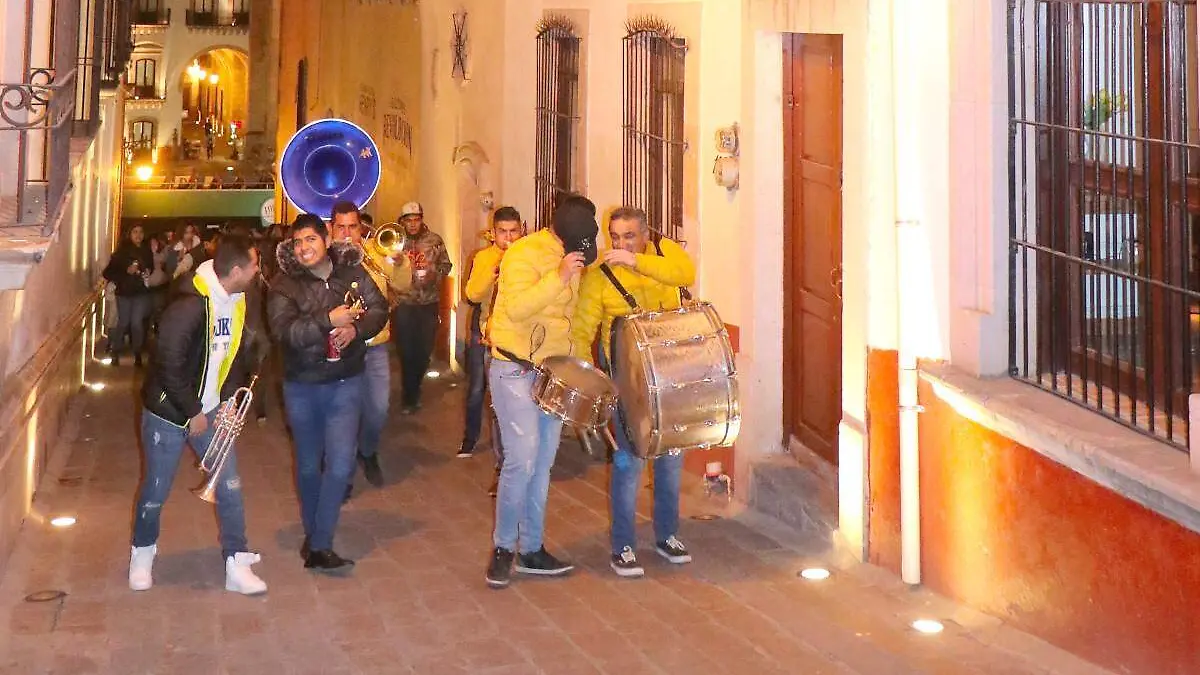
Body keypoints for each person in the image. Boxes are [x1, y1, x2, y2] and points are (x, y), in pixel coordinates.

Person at [129, 234, 267, 594]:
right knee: (156, 489)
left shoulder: (237, 300)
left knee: (231, 486)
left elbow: (232, 354)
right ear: (236, 270)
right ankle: (142, 554)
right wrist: (193, 411)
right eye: (255, 265)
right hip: (170, 413)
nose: (258, 271)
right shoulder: (189, 305)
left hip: (210, 410)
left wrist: (228, 402)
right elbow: (169, 363)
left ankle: (236, 561)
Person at [571, 206, 697, 578]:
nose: (620, 244)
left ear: (644, 235)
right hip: (627, 384)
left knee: (671, 460)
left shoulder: (665, 258)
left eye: (628, 236)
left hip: (669, 378)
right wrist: (589, 375)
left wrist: (637, 261)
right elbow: (582, 330)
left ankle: (667, 534)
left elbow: (685, 273)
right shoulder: (598, 278)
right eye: (615, 237)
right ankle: (623, 545)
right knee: (628, 464)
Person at [484, 195, 598, 589]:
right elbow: (515, 309)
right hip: (514, 368)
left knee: (543, 463)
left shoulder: (576, 254)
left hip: (553, 373)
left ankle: (531, 548)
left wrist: (582, 368)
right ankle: (502, 549)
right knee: (522, 459)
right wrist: (559, 276)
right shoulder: (522, 253)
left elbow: (570, 318)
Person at [268, 213, 389, 572]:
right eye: (297, 242)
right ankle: (316, 537)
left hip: (344, 382)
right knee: (308, 466)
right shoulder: (283, 284)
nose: (304, 248)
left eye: (311, 240)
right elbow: (283, 331)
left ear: (326, 240)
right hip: (302, 385)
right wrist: (328, 321)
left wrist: (358, 330)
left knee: (339, 464)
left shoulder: (351, 273)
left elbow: (379, 309)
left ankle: (319, 542)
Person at [328, 201, 411, 492]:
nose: (348, 233)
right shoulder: (324, 257)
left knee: (378, 408)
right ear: (331, 228)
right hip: (339, 347)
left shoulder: (377, 251)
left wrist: (401, 264)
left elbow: (402, 285)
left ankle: (367, 451)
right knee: (343, 413)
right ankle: (344, 472)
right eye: (342, 227)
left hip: (374, 345)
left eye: (353, 226)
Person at [459, 208, 523, 490]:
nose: (508, 237)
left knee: (503, 406)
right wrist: (495, 270)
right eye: (502, 232)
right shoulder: (483, 258)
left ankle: (504, 467)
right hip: (486, 334)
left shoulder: (527, 255)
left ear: (521, 230)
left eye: (513, 231)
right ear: (494, 232)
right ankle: (470, 438)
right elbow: (472, 294)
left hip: (515, 339)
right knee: (477, 391)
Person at [391, 202, 452, 413]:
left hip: (429, 303)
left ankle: (414, 387)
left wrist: (433, 272)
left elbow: (447, 265)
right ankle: (410, 397)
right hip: (404, 303)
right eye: (409, 220)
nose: (413, 224)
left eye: (416, 219)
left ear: (422, 219)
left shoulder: (434, 240)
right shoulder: (396, 241)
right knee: (406, 351)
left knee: (424, 351)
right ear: (403, 222)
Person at [102, 224, 155, 367]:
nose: (138, 235)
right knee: (124, 322)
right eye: (135, 232)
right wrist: (126, 271)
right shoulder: (121, 253)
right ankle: (116, 351)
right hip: (124, 292)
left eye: (141, 232)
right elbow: (107, 273)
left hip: (141, 292)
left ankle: (137, 352)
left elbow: (150, 266)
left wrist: (148, 271)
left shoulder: (146, 251)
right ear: (129, 234)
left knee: (137, 323)